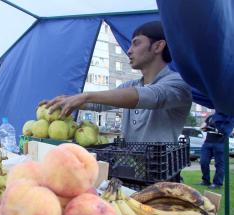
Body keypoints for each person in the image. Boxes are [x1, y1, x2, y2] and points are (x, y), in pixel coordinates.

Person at [44, 21, 192, 142]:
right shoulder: (130, 86)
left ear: (158, 46)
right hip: (128, 169)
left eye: (136, 43)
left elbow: (150, 96)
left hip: (162, 173)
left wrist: (86, 95)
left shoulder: (178, 84)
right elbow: (98, 104)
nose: (129, 50)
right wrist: (67, 100)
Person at [199, 114, 225, 189]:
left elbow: (229, 130)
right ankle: (205, 181)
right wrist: (206, 128)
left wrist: (216, 130)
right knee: (203, 161)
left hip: (220, 143)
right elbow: (202, 126)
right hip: (207, 143)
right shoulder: (211, 117)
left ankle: (217, 183)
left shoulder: (227, 117)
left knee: (219, 164)